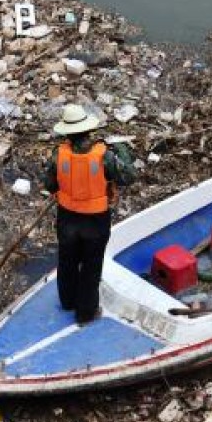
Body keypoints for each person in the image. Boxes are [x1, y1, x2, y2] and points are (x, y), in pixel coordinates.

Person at [43, 104, 136, 325]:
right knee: (91, 266)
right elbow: (127, 177)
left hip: (66, 218)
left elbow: (49, 185)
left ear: (66, 131)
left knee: (67, 261)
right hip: (94, 220)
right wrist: (122, 150)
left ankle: (68, 301)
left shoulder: (59, 154)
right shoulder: (104, 155)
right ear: (88, 129)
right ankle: (85, 313)